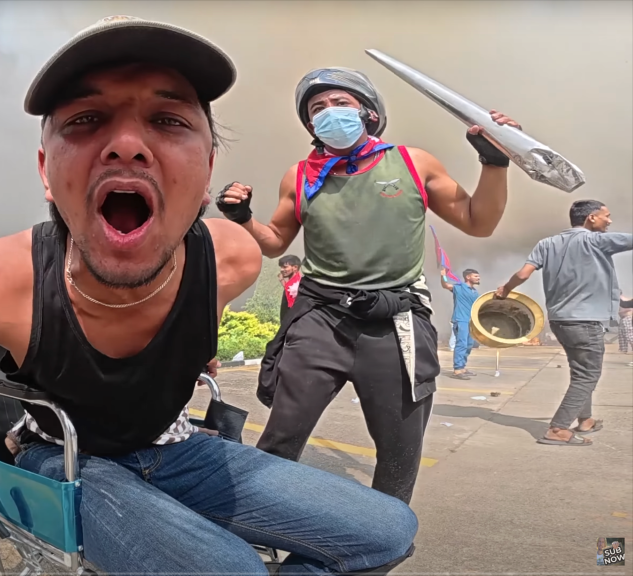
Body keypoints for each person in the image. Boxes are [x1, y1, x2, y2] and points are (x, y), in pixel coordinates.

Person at [0, 16, 418, 575]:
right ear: (45, 173)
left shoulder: (234, 258)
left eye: (169, 121)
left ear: (205, 170)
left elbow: (182, 340)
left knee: (390, 531)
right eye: (86, 121)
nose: (127, 144)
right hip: (63, 460)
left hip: (178, 449)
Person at [217, 67, 521, 504]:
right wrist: (244, 216)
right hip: (321, 317)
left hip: (395, 319)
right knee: (281, 434)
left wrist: (494, 162)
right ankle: (257, 526)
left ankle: (380, 542)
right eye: (317, 109)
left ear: (369, 114)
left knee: (399, 449)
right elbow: (274, 244)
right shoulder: (300, 175)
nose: (328, 113)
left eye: (340, 103)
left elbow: (479, 221)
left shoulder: (413, 162)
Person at [496, 199, 632, 446]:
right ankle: (558, 430)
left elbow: (523, 274)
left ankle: (586, 420)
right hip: (585, 322)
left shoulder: (546, 244)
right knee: (587, 375)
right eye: (607, 216)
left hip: (560, 320)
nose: (610, 221)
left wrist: (505, 289)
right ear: (591, 217)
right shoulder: (596, 241)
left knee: (581, 371)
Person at [438, 268, 481, 379]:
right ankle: (457, 370)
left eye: (478, 276)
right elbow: (445, 285)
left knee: (469, 345)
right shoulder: (459, 287)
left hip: (471, 322)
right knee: (461, 344)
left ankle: (462, 367)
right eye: (475, 276)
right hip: (461, 320)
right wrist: (443, 276)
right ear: (468, 277)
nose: (478, 278)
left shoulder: (475, 291)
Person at [279, 254, 302, 323]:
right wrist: (282, 280)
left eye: (285, 267)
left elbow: (292, 307)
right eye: (281, 267)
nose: (281, 270)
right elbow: (288, 290)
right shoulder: (294, 282)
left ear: (295, 267)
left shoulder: (296, 285)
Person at [618, 293, 633, 365]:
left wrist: (620, 312)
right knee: (628, 338)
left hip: (627, 319)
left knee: (631, 338)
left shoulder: (624, 300)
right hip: (624, 319)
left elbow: (629, 307)